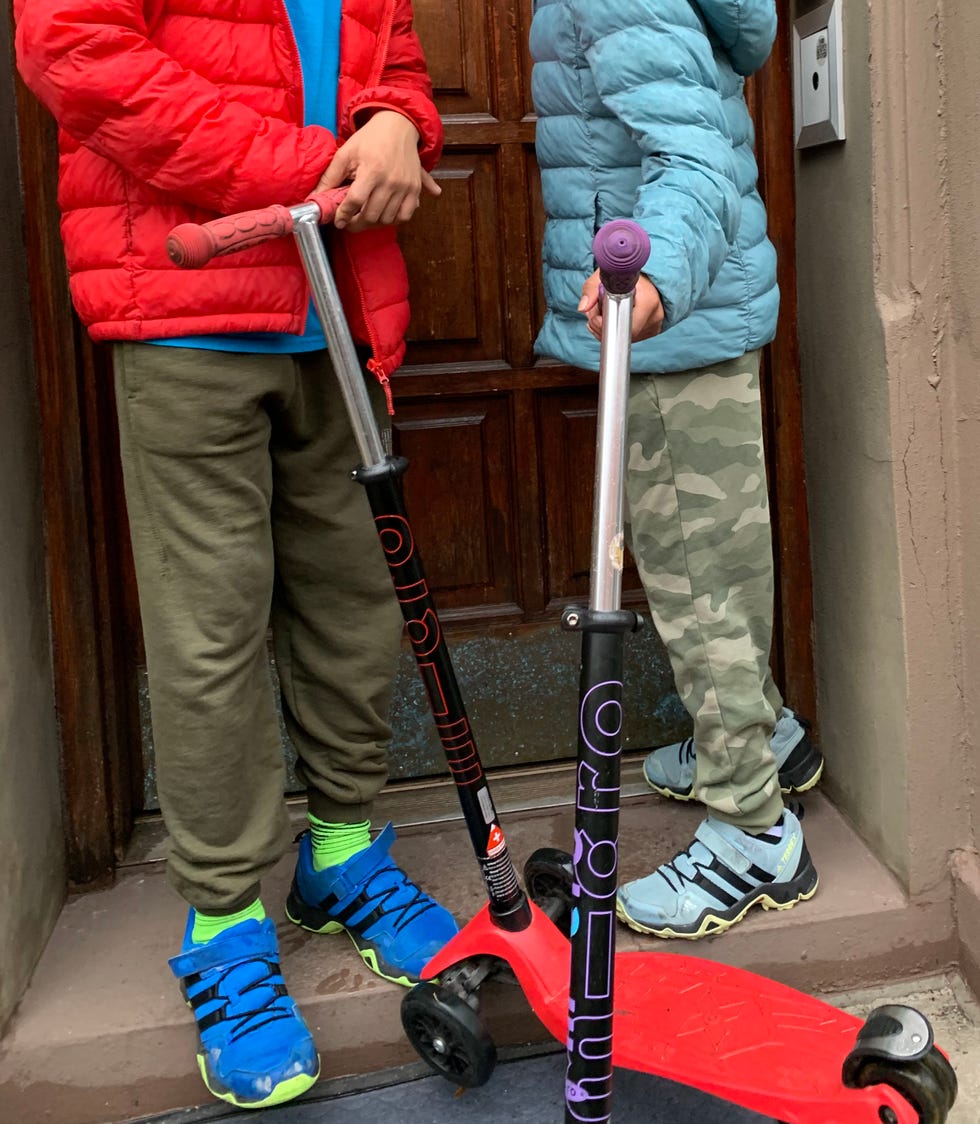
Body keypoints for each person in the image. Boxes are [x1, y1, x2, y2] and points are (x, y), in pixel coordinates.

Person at [15, 0, 458, 1108]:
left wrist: (398, 122)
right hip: (188, 306)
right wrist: (317, 170)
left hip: (341, 308)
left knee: (355, 601)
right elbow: (76, 49)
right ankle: (223, 919)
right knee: (208, 624)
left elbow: (387, 64)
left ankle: (343, 855)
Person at [529, 0, 825, 940]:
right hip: (691, 323)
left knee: (699, 582)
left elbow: (690, 152)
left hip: (669, 325)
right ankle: (760, 735)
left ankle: (753, 833)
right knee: (716, 567)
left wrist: (653, 285)